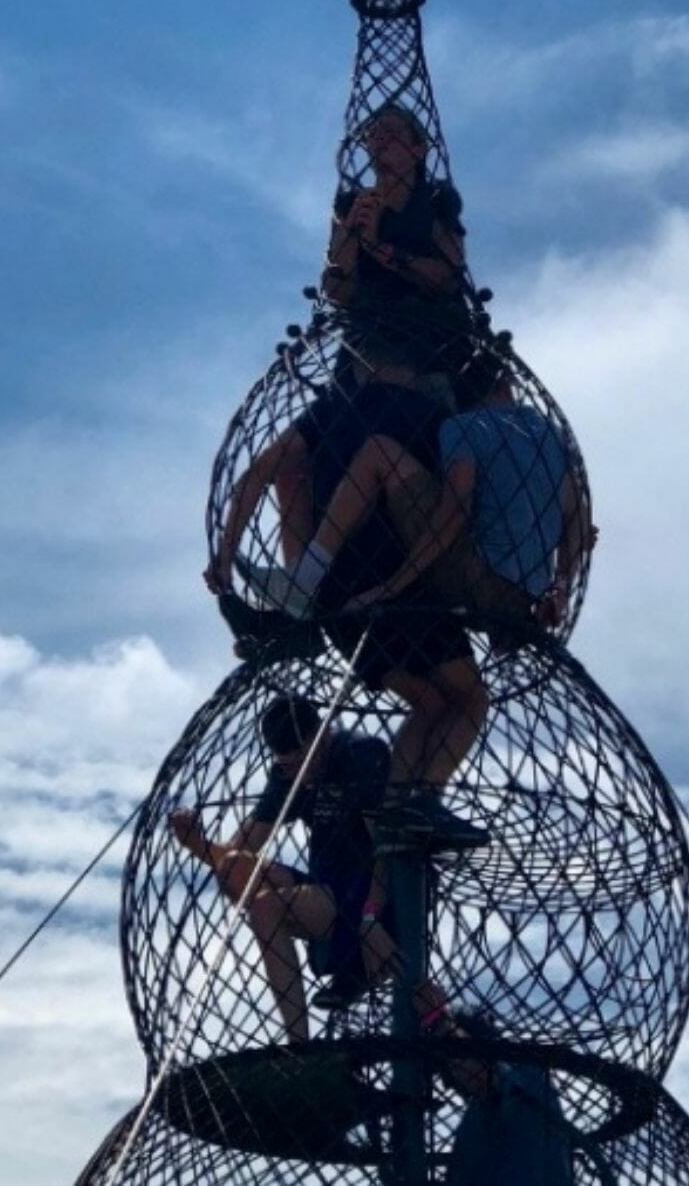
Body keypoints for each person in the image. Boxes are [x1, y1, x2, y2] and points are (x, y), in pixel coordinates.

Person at [210, 328, 490, 851]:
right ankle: (419, 801)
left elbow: (260, 472)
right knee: (469, 700)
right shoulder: (433, 418)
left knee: (427, 703)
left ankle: (397, 814)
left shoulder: (328, 413)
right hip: (403, 593)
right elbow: (456, 509)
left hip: (333, 610)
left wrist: (224, 559)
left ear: (359, 364)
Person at [249, 351, 595, 640]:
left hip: (473, 585)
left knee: (379, 451)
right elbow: (578, 519)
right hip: (526, 604)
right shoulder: (550, 432)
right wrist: (560, 588)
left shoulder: (464, 427)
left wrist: (391, 587)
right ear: (507, 382)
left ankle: (307, 578)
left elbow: (454, 511)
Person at [168, 696, 450, 1041]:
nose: (295, 773)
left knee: (265, 907)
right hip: (330, 891)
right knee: (231, 867)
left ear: (323, 735)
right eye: (285, 765)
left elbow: (386, 849)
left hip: (379, 893)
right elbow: (238, 851)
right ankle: (331, 979)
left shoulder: (360, 754)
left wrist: (371, 918)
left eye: (302, 761)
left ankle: (300, 1041)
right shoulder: (287, 777)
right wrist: (194, 841)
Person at [320, 104, 469, 334]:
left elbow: (447, 278)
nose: (379, 140)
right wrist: (349, 234)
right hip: (372, 335)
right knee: (379, 364)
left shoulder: (437, 201)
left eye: (391, 132)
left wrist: (378, 248)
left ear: (418, 149)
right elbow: (337, 291)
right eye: (372, 134)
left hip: (437, 334)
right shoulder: (350, 205)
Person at [438, 1007, 580, 1186]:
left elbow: (505, 1079)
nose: (459, 1073)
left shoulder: (525, 1081)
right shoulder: (477, 1114)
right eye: (452, 1067)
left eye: (462, 1059)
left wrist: (440, 1020)